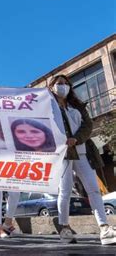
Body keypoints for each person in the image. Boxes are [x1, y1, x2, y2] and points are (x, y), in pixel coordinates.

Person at [49, 75, 116, 245]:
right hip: (62, 155)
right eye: (59, 84)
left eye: (65, 84)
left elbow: (87, 126)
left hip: (82, 152)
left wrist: (76, 139)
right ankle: (64, 228)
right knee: (64, 191)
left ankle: (104, 228)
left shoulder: (77, 106)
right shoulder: (47, 107)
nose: (63, 87)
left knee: (93, 189)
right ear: (51, 87)